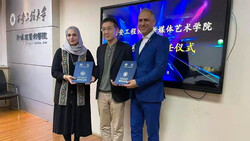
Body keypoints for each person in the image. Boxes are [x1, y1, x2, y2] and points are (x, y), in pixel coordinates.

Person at [124, 9, 169, 141]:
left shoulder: (162, 41)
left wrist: (137, 82)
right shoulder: (137, 44)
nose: (142, 23)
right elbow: (137, 68)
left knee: (152, 133)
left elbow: (159, 70)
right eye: (140, 20)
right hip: (136, 95)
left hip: (152, 95)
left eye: (146, 20)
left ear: (154, 22)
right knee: (135, 129)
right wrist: (123, 79)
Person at [51, 26, 96, 141]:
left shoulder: (86, 52)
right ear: (66, 37)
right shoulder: (60, 51)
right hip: (64, 94)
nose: (71, 37)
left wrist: (92, 78)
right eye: (69, 35)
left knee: (78, 121)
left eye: (74, 35)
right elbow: (54, 71)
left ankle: (77, 139)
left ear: (78, 36)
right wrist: (65, 76)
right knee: (65, 122)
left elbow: (94, 69)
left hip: (80, 94)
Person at [93, 17, 132, 141]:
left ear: (117, 30)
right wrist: (93, 76)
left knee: (117, 127)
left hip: (117, 93)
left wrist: (123, 81)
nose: (106, 32)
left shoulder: (125, 48)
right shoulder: (100, 49)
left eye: (109, 28)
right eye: (103, 29)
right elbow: (99, 68)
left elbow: (129, 68)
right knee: (104, 126)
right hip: (101, 93)